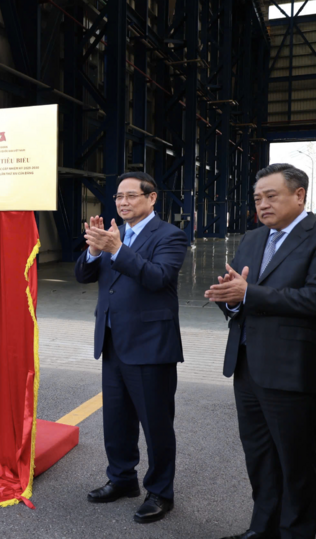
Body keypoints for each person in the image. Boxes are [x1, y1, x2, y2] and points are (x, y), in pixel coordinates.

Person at [205, 163, 316, 539]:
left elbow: (314, 299)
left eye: (271, 196)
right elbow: (239, 290)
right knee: (260, 457)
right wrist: (229, 300)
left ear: (299, 195)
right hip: (247, 364)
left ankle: (295, 533)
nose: (262, 205)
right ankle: (262, 529)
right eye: (257, 198)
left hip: (292, 369)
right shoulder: (252, 238)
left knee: (295, 463)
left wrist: (248, 293)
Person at [74, 171, 188, 523]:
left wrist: (116, 249)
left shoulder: (170, 235)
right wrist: (94, 250)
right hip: (113, 342)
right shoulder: (115, 234)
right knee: (117, 420)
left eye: (131, 196)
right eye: (119, 197)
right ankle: (122, 479)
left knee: (155, 424)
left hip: (150, 345)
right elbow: (83, 275)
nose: (122, 202)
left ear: (152, 199)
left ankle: (160, 492)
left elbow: (158, 277)